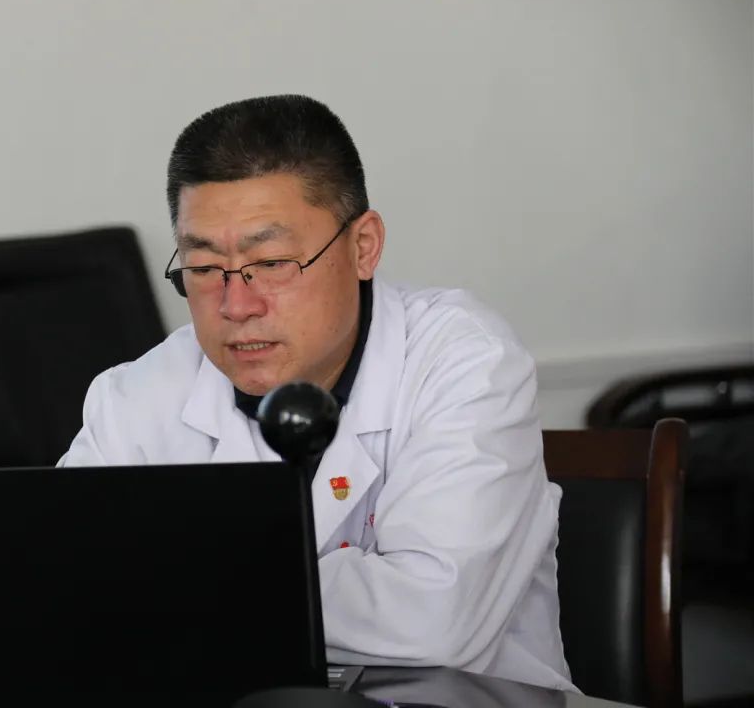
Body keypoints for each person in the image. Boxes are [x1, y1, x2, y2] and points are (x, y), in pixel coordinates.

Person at [57, 94, 576, 693]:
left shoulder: (464, 361)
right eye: (203, 268)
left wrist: (170, 582)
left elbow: (432, 622)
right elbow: (63, 588)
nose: (236, 305)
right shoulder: (137, 394)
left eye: (272, 262)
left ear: (364, 246)